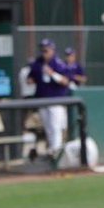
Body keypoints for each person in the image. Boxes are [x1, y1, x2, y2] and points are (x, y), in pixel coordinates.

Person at [26, 38, 71, 166]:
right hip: (42, 99)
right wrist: (31, 79)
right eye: (42, 50)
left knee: (56, 127)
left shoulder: (58, 63)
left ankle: (56, 152)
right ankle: (52, 151)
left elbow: (66, 81)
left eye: (46, 50)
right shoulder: (38, 62)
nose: (44, 52)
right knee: (48, 128)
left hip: (56, 100)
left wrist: (52, 74)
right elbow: (30, 78)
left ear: (52, 50)